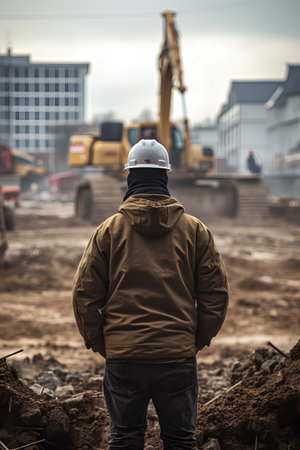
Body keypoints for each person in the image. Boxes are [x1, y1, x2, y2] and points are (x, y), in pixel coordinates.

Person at [72, 139, 229, 449]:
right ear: (166, 176)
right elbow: (216, 294)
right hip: (177, 357)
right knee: (181, 441)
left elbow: (83, 296)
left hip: (124, 358)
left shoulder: (107, 232)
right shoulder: (196, 231)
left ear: (129, 176)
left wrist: (105, 343)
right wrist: (193, 340)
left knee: (125, 439)